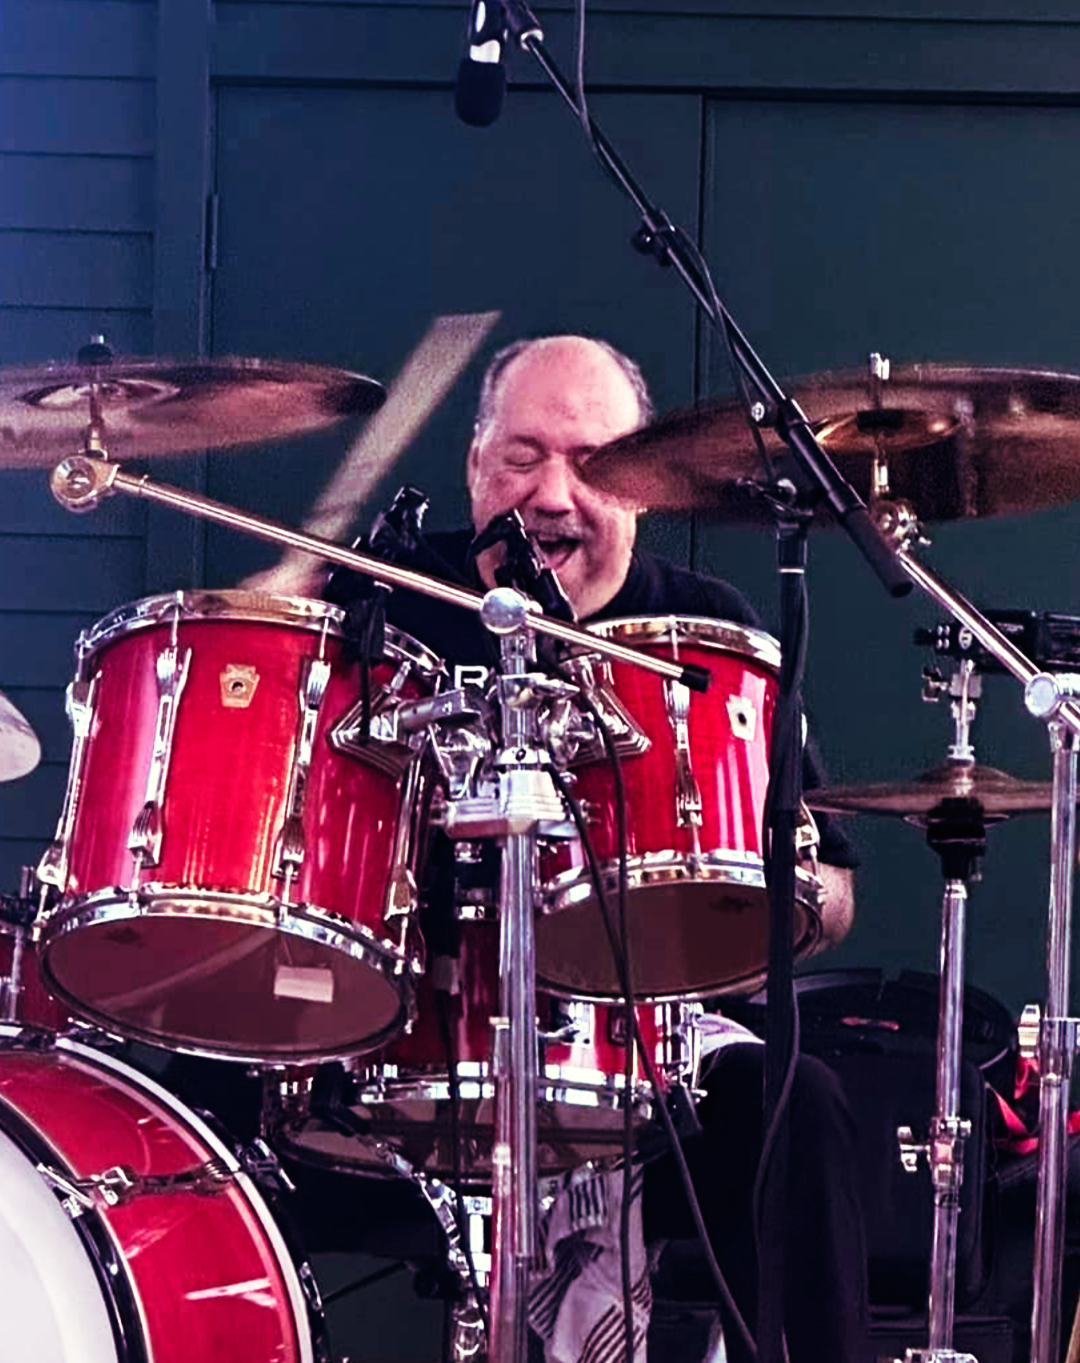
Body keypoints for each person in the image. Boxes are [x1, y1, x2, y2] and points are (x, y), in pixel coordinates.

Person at [347, 334, 868, 1363]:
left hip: (651, 1052)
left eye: (589, 464)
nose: (550, 495)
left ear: (640, 490)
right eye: (520, 456)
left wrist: (746, 899)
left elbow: (834, 890)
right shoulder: (377, 602)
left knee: (793, 1101)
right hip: (406, 1035)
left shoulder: (706, 632)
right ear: (473, 466)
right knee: (203, 1094)